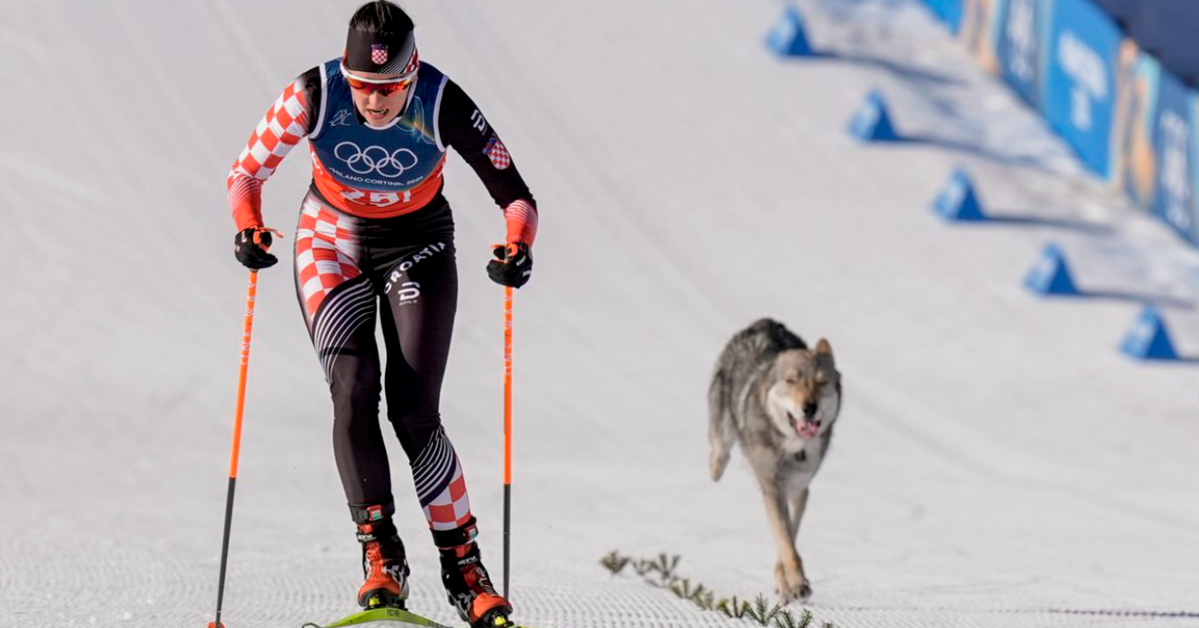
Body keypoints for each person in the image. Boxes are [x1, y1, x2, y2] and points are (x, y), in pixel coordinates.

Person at [225, 2, 537, 626]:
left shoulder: (442, 101)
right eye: (363, 86)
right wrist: (248, 225)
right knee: (353, 389)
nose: (374, 101)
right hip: (329, 241)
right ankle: (381, 554)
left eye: (389, 88)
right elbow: (246, 173)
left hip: (417, 243)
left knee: (415, 411)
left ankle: (464, 568)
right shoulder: (314, 93)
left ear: (411, 74)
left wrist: (517, 246)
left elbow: (516, 196)